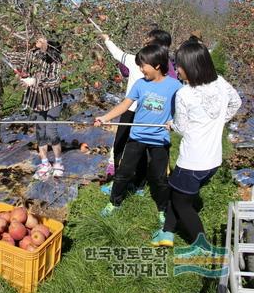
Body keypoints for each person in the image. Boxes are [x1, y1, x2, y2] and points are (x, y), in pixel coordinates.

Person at [151, 41, 242, 248]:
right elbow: (236, 102)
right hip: (213, 160)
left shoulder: (185, 94)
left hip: (192, 161)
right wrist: (218, 120)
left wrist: (171, 124)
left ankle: (201, 246)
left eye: (179, 65)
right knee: (178, 194)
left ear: (192, 66)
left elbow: (182, 128)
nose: (177, 69)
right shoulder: (219, 82)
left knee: (182, 204)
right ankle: (167, 233)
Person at [94, 44, 182, 218]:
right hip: (137, 136)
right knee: (124, 173)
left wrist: (174, 122)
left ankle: (163, 209)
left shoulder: (175, 86)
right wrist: (105, 117)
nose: (141, 69)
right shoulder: (140, 84)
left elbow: (184, 109)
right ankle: (114, 203)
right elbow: (125, 105)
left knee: (159, 179)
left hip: (159, 139)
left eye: (143, 65)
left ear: (156, 65)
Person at [101, 29, 177, 183]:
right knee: (137, 147)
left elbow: (117, 54)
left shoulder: (136, 60)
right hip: (145, 112)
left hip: (135, 111)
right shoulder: (164, 66)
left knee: (126, 145)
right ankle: (134, 180)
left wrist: (107, 40)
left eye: (149, 41)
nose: (145, 42)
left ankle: (129, 179)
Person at [20, 36, 64, 180]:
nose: (37, 40)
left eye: (41, 39)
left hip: (52, 101)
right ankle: (45, 163)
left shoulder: (55, 60)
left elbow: (55, 80)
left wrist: (35, 80)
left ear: (48, 44)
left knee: (51, 131)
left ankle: (58, 163)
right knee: (40, 132)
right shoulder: (32, 55)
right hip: (38, 101)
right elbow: (18, 61)